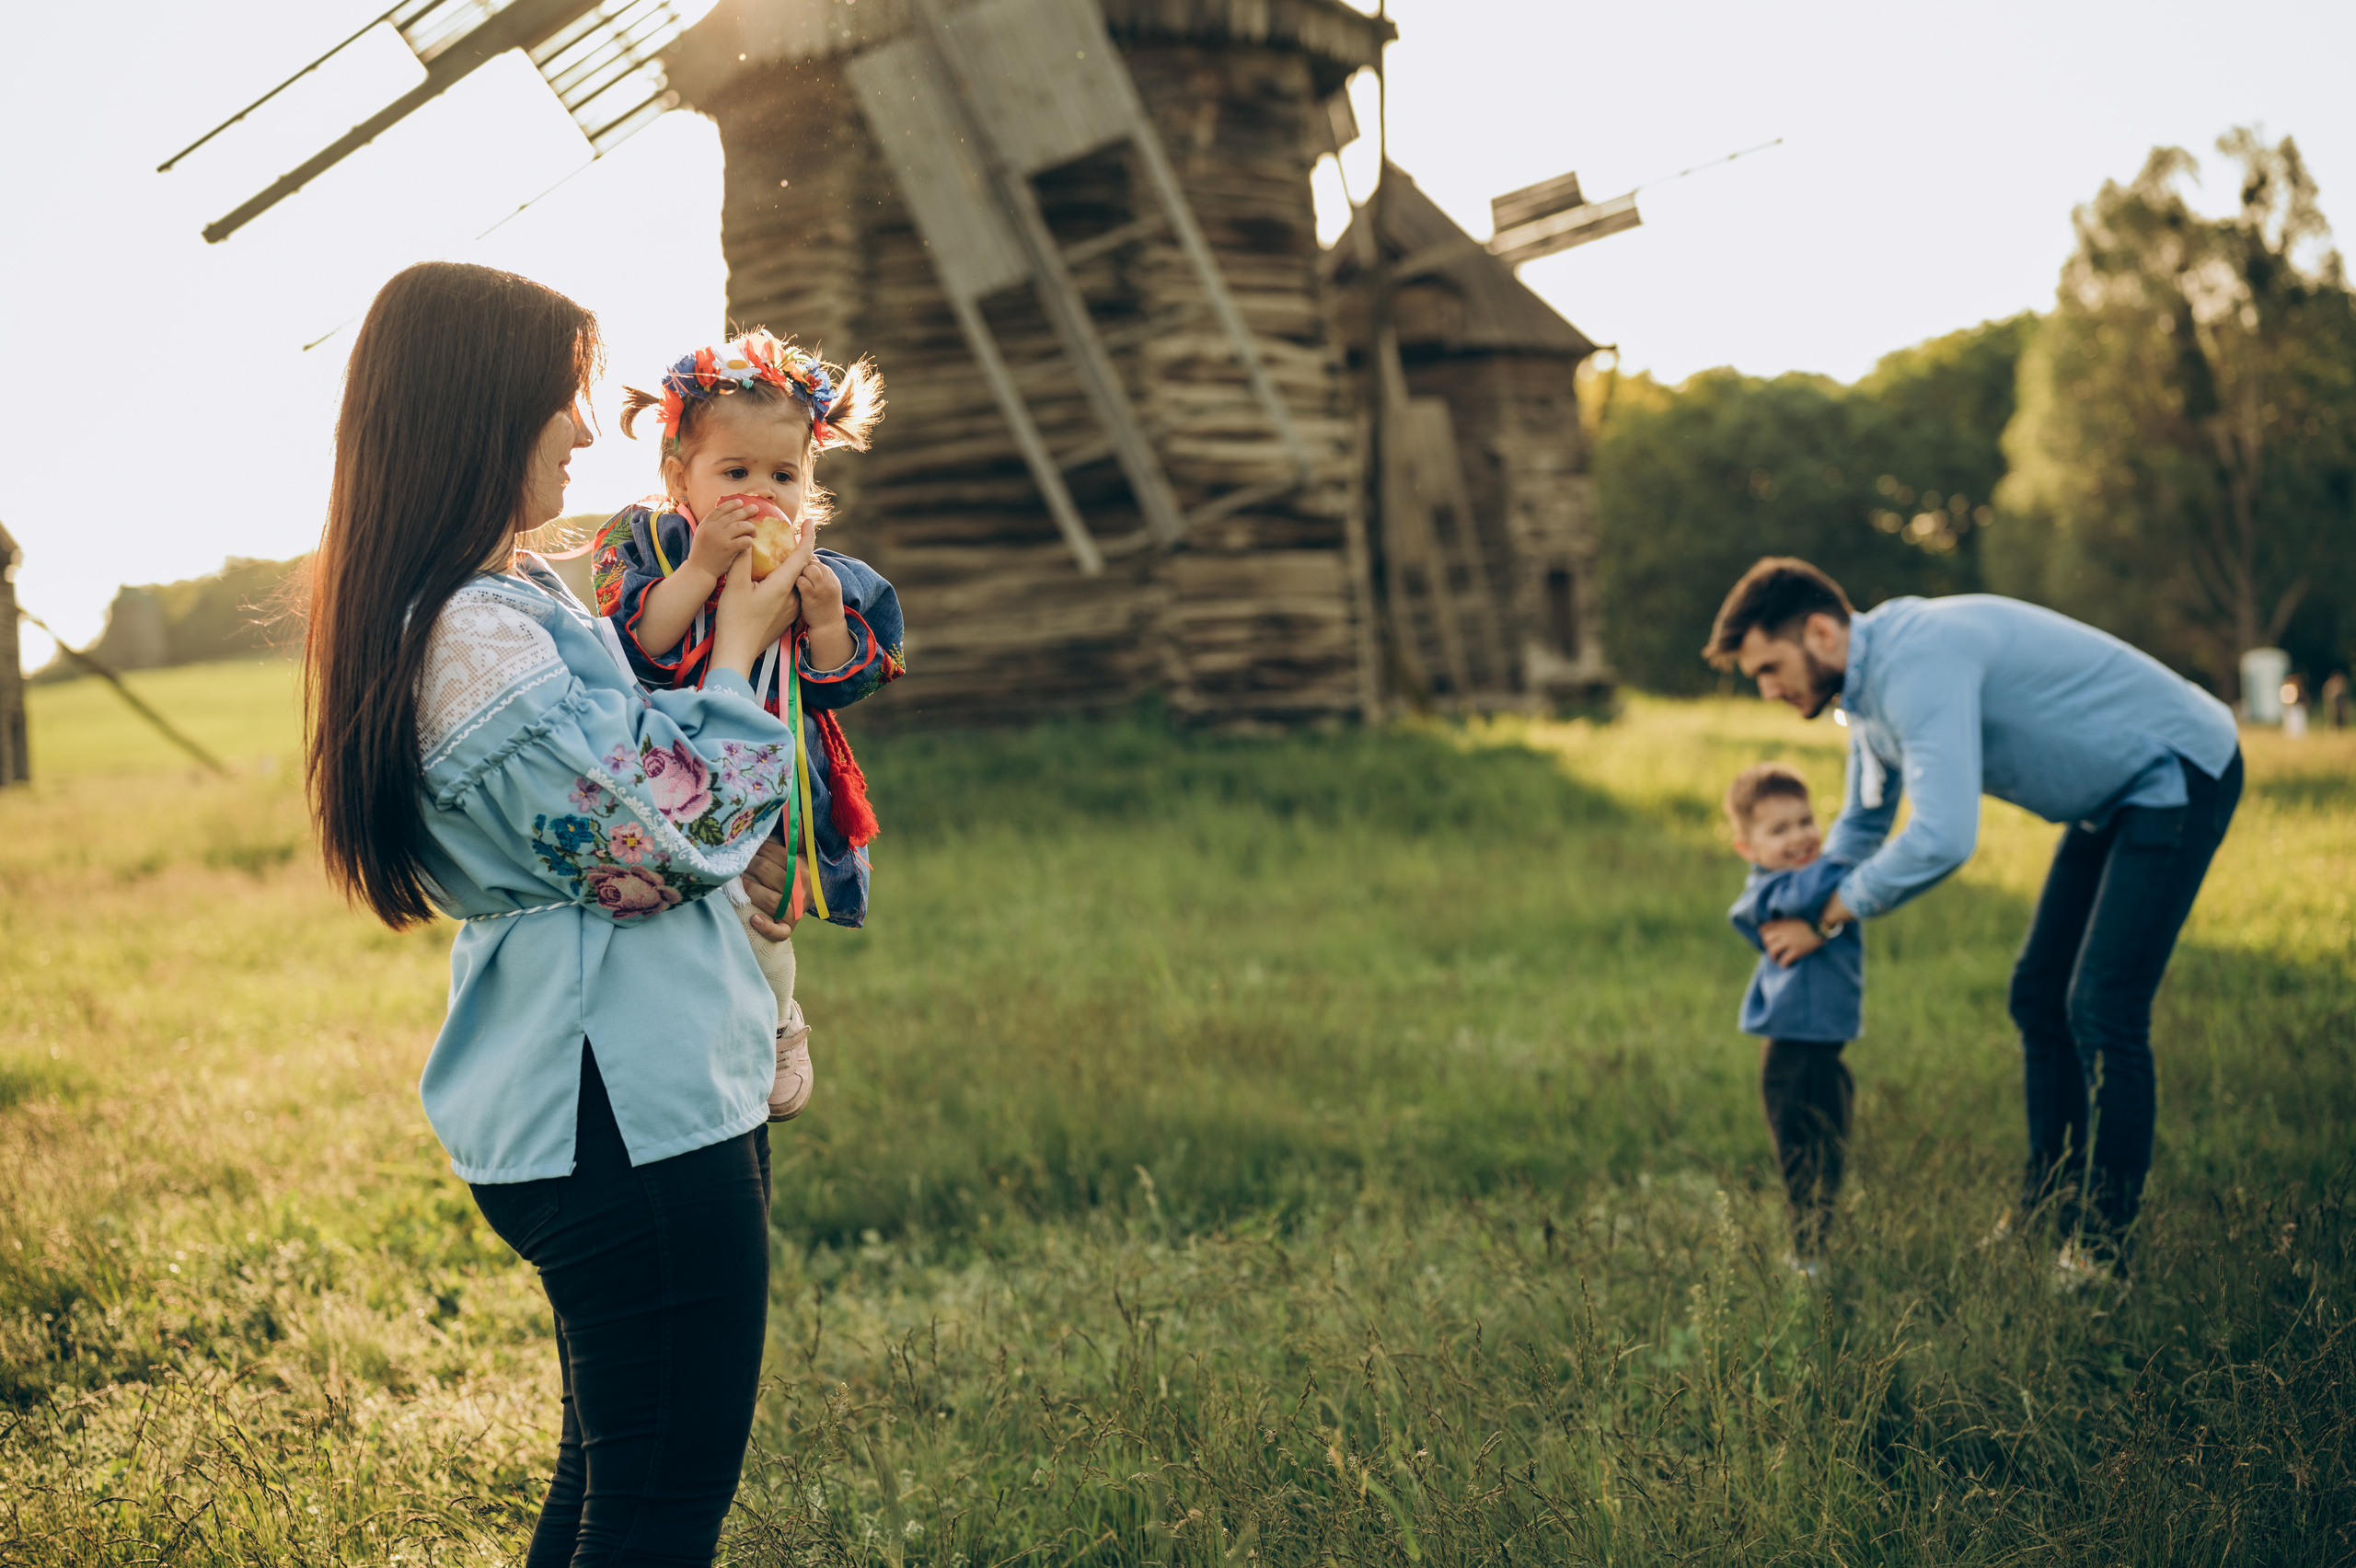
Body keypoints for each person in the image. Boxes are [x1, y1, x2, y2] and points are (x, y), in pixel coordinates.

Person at [304, 261, 813, 1564]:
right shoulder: (476, 636)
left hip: (615, 1090)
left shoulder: (498, 601)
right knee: (656, 1511)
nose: (589, 430)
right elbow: (669, 833)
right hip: (622, 1111)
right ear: (486, 410)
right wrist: (745, 652)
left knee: (609, 1489)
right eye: (566, 398)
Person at [1704, 558, 2241, 1282]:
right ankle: (2045, 1212)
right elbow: (1862, 826)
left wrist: (1826, 913)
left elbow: (1943, 835)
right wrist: (1790, 907)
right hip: (2111, 799)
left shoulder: (1915, 663)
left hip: (2179, 771)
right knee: (2037, 995)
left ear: (1822, 633)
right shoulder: (1864, 696)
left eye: (1770, 667)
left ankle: (2103, 1252)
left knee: (2103, 1007)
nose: (1768, 690)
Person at [589, 329, 901, 1122]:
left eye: (783, 474)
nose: (761, 493)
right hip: (671, 768)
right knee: (690, 908)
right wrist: (699, 571)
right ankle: (703, 1034)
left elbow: (841, 684)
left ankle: (778, 1021)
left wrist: (826, 618)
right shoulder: (655, 549)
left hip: (774, 773)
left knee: (760, 909)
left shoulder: (820, 575)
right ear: (678, 478)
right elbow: (646, 642)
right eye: (735, 473)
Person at [1723, 762, 1862, 1277]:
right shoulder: (1773, 891)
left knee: (1832, 1143)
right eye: (1778, 830)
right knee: (1802, 1152)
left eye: (1806, 821)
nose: (1800, 837)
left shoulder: (1814, 883)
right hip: (1791, 1049)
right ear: (1749, 849)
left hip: (1826, 1044)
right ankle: (1806, 1251)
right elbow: (1810, 891)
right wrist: (1857, 847)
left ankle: (1820, 1239)